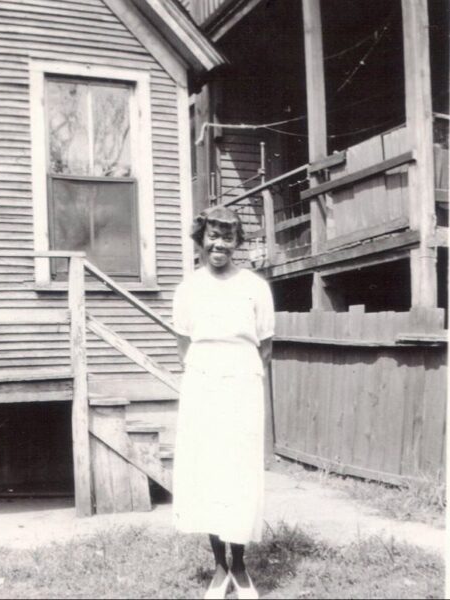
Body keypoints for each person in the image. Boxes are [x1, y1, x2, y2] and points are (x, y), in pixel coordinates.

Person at [172, 206, 275, 600]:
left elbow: (264, 346)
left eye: (227, 237)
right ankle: (220, 566)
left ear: (237, 243)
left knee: (240, 470)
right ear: (201, 239)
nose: (219, 244)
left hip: (243, 382)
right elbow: (184, 345)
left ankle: (242, 565)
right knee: (208, 471)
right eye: (213, 236)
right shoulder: (188, 290)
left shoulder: (254, 286)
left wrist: (236, 373)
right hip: (202, 382)